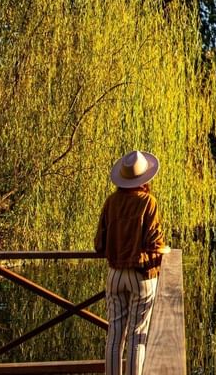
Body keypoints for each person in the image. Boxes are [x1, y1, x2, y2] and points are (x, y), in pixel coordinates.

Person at [94, 150, 170, 375]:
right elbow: (154, 242)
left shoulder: (111, 201)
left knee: (115, 335)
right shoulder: (148, 201)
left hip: (115, 274)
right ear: (145, 178)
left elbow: (99, 243)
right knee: (137, 336)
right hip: (142, 274)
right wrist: (166, 249)